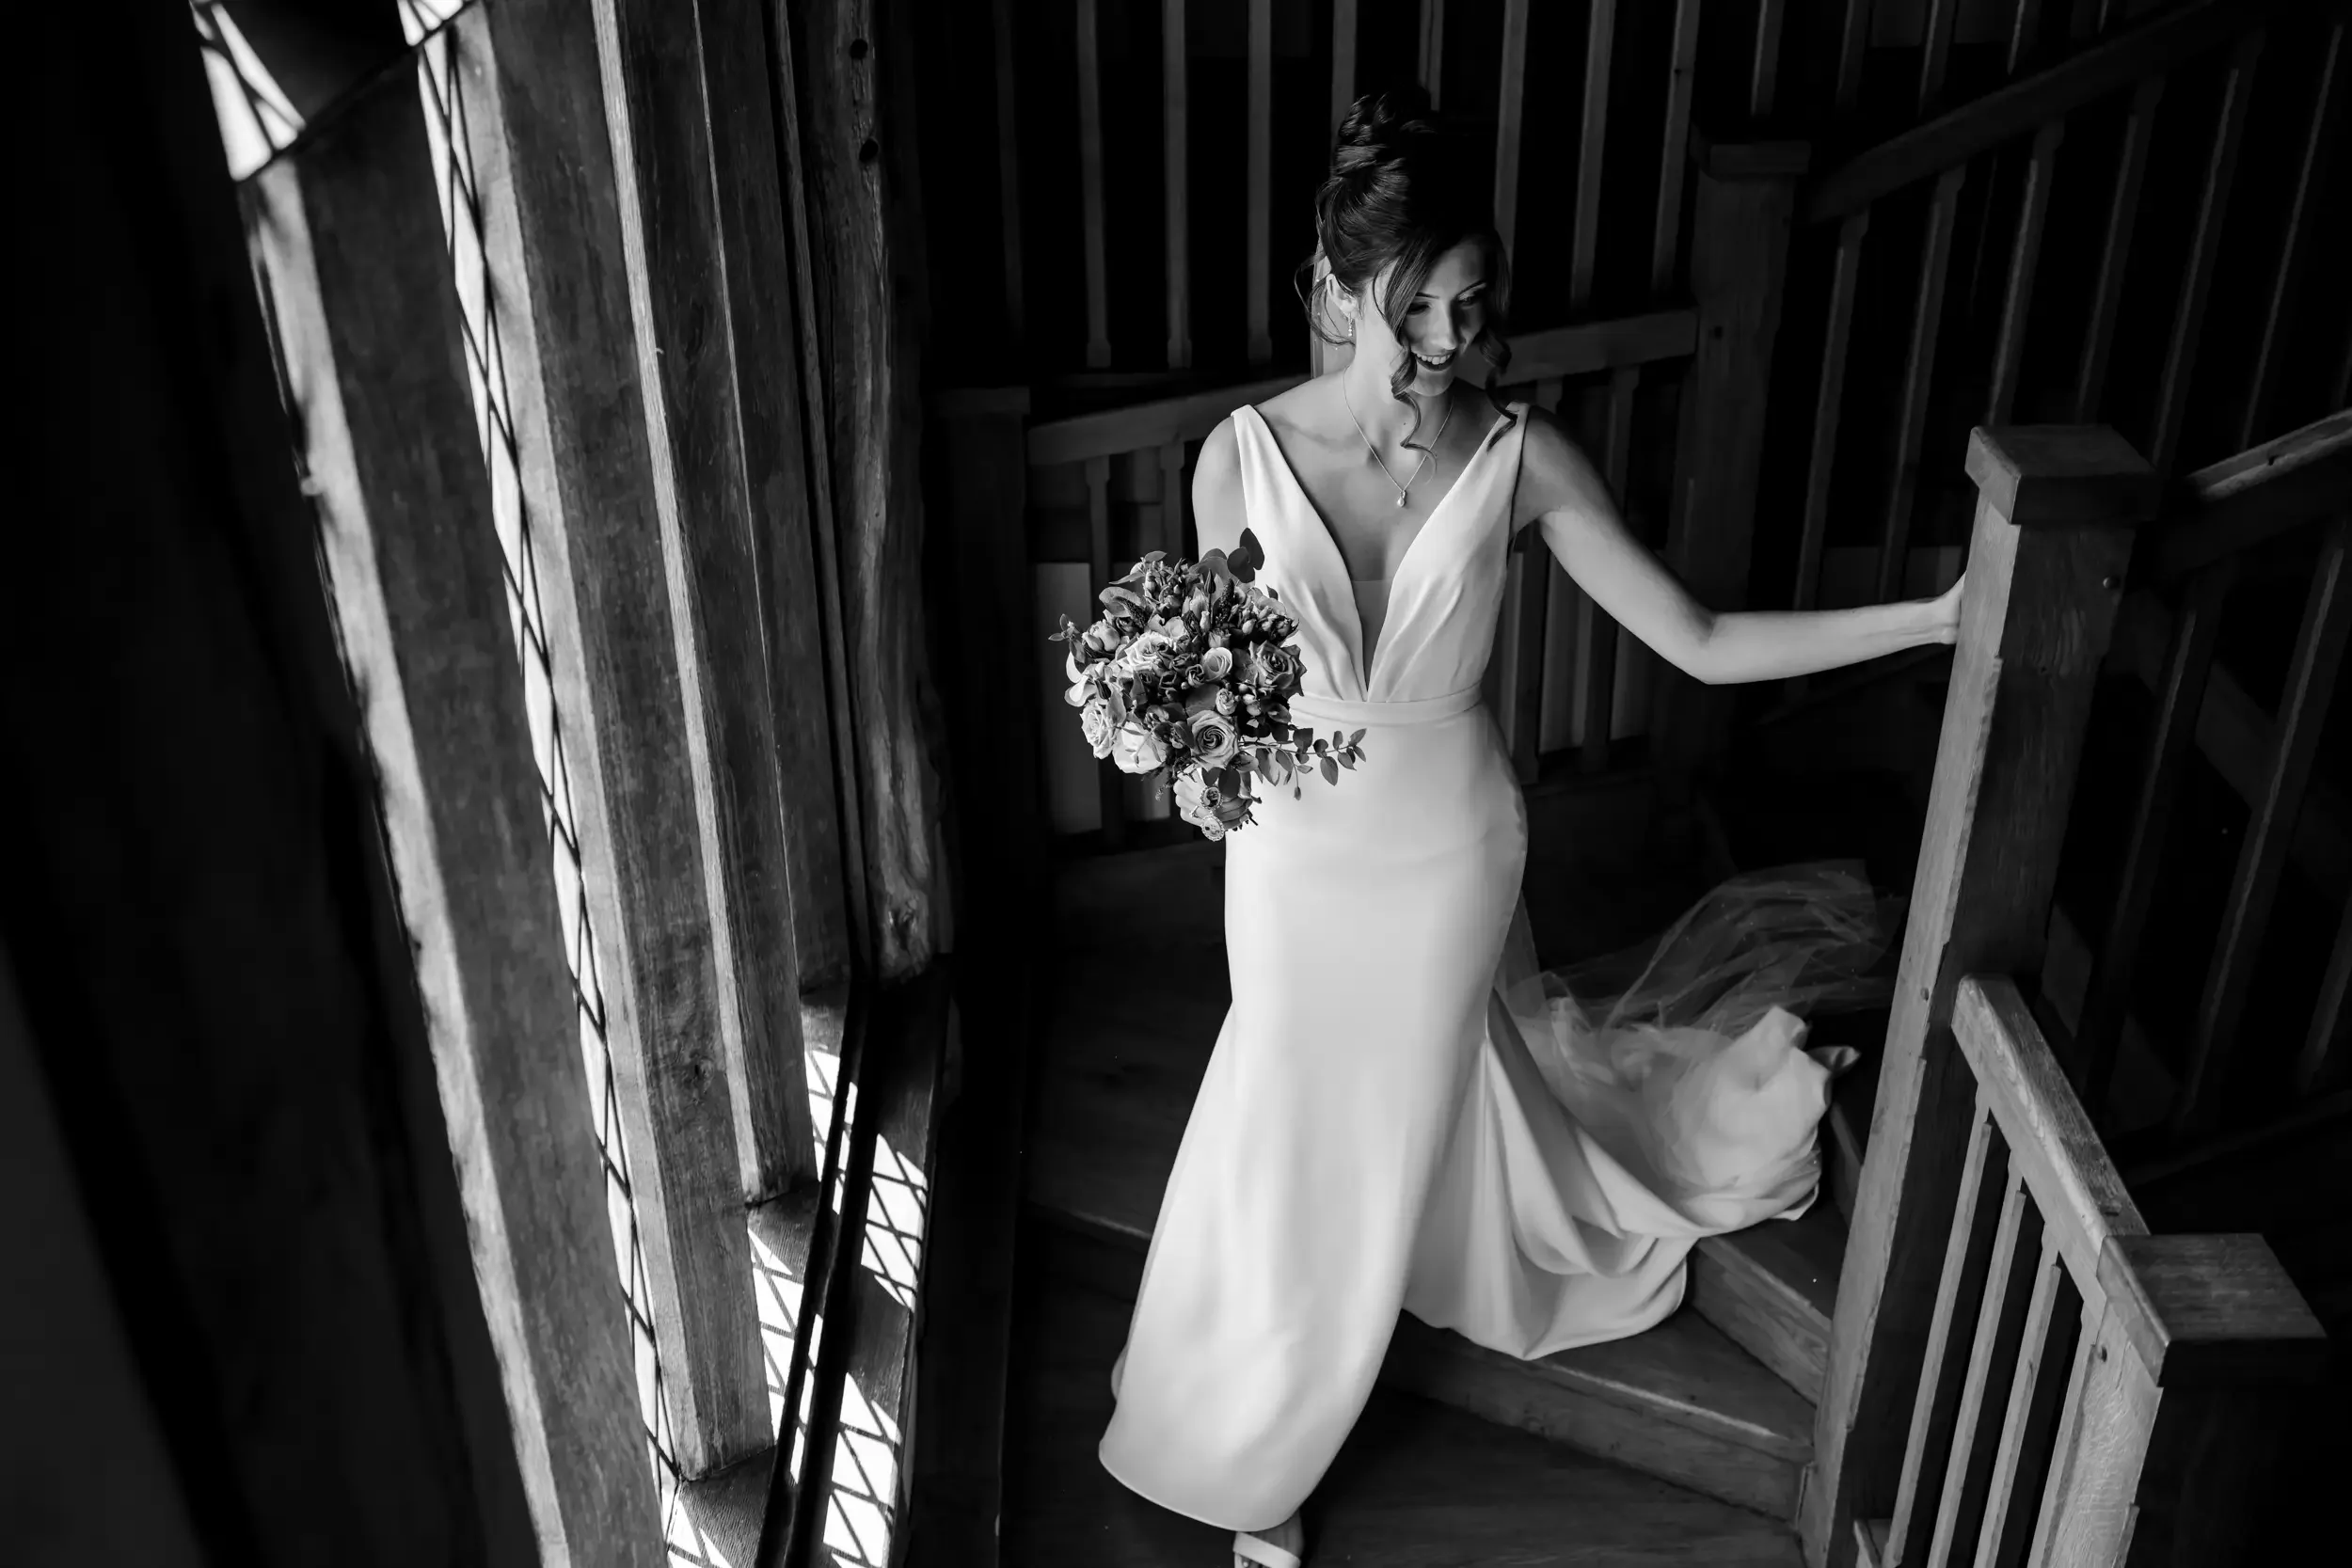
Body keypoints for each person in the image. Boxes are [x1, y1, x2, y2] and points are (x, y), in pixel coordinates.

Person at [1094, 90, 1963, 1568]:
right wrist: (1172, 722)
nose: (1443, 343)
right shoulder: (1235, 459)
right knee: (1283, 1104)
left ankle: (1275, 1451)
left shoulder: (1524, 460)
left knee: (1370, 1127)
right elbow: (1218, 681)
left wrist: (1932, 617)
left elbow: (1694, 635)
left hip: (1447, 859)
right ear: (1342, 284)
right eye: (1413, 306)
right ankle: (1219, 1386)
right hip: (1296, 862)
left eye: (1470, 306)